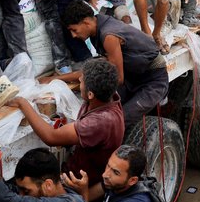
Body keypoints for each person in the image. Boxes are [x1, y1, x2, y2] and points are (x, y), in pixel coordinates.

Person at [50, 0, 169, 128]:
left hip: (152, 81)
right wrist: (57, 79)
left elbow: (117, 79)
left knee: (117, 122)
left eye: (74, 30)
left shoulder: (108, 36)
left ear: (86, 22)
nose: (73, 35)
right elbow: (100, 69)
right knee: (99, 113)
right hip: (132, 76)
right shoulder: (99, 25)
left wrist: (89, 92)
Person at [9, 59, 124, 188]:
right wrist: (55, 78)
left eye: (82, 81)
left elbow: (51, 137)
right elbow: (82, 75)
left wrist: (23, 104)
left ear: (90, 94)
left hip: (80, 182)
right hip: (77, 165)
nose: (79, 80)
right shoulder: (106, 93)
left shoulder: (98, 122)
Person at [65, 145, 152, 202]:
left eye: (115, 172)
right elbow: (93, 193)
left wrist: (83, 192)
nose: (105, 175)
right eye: (108, 165)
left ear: (132, 180)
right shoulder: (115, 183)